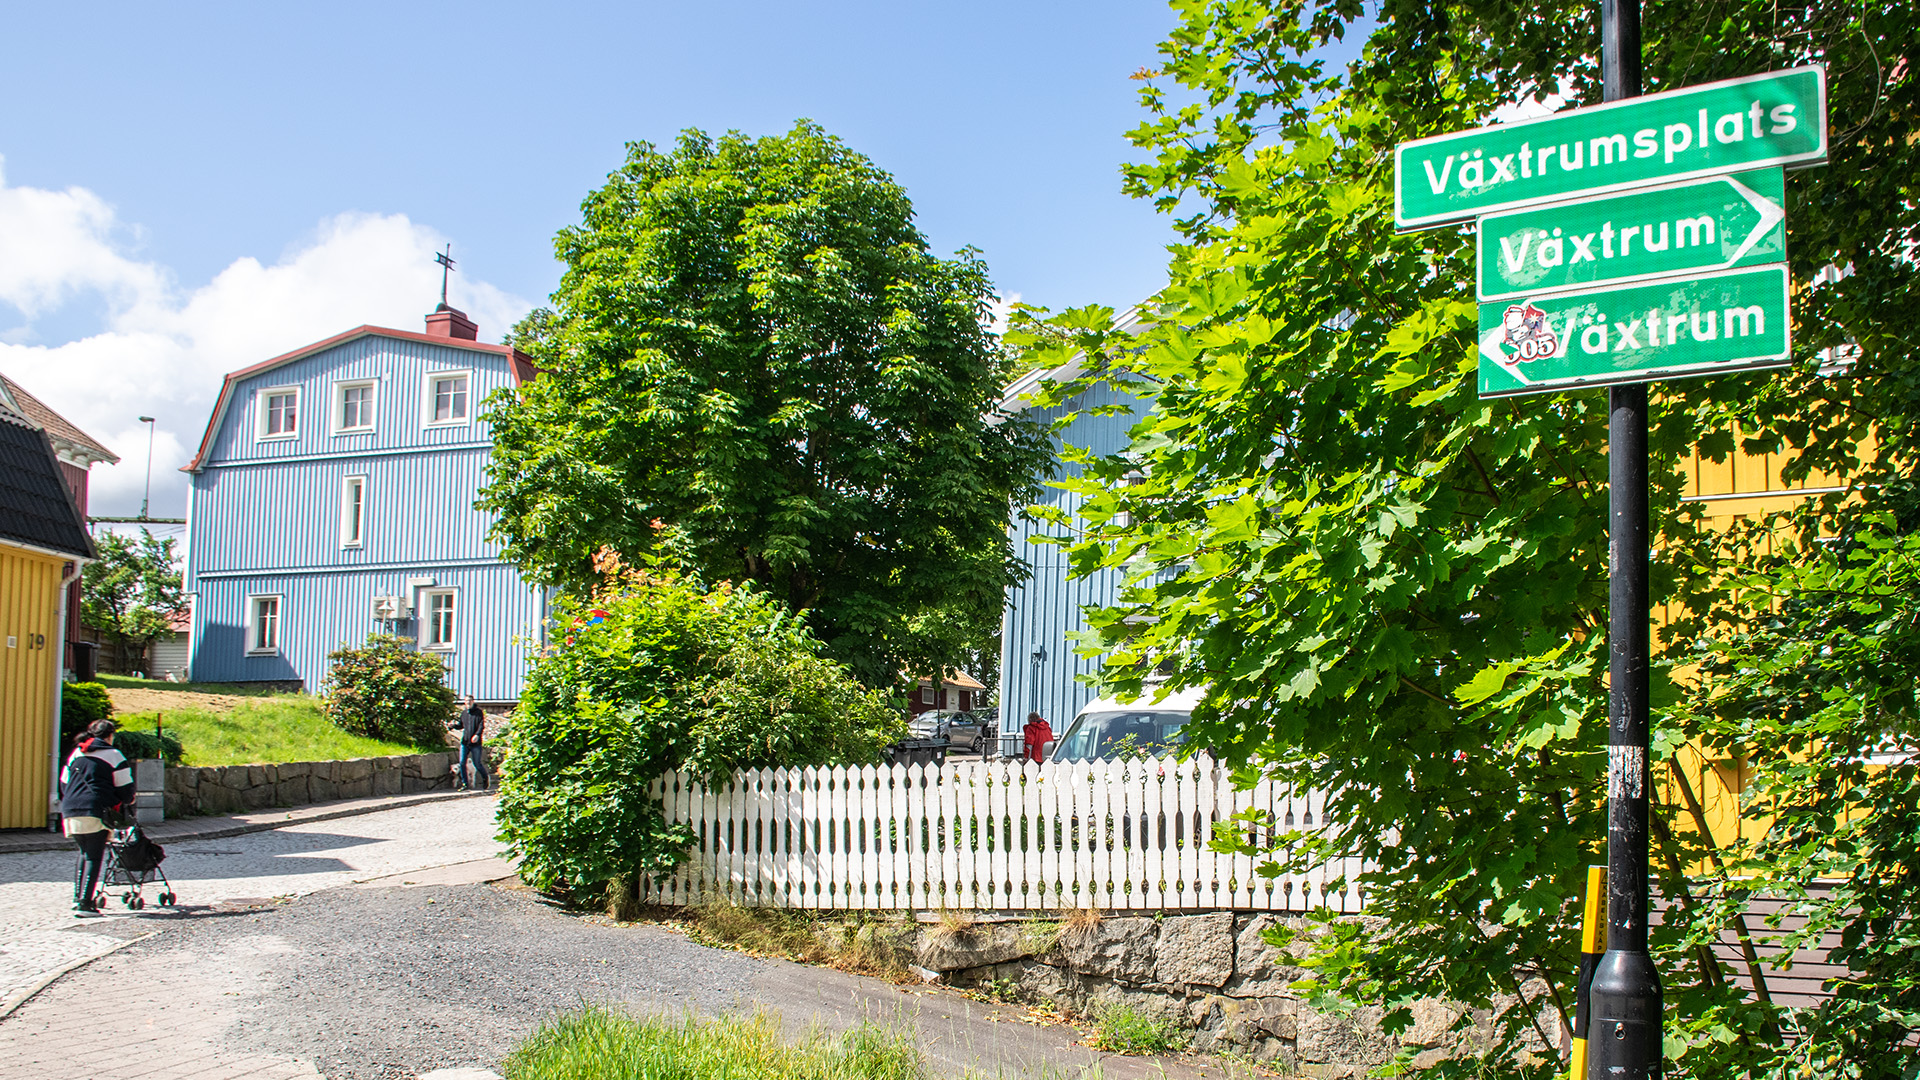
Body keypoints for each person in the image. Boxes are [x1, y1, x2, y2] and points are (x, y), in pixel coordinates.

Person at [59, 719, 135, 916]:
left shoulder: (76, 753)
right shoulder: (113, 755)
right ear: (110, 735)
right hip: (95, 810)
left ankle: (78, 898)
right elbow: (125, 788)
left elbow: (64, 783)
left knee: (84, 852)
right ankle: (85, 903)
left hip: (70, 809)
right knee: (94, 855)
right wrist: (125, 801)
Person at [453, 695, 490, 791]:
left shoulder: (478, 712)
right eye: (466, 701)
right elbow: (461, 725)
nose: (468, 703)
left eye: (469, 701)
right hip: (465, 742)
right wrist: (452, 726)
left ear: (473, 701)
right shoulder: (464, 713)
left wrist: (477, 735)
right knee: (462, 762)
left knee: (477, 763)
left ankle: (485, 778)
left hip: (475, 743)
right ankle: (465, 784)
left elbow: (481, 726)